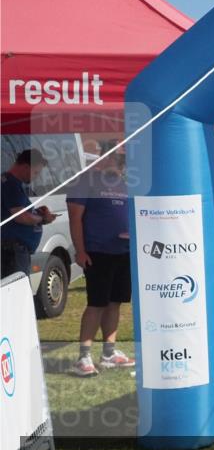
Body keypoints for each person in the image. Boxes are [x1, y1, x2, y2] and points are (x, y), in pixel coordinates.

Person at [67, 147, 134, 376]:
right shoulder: (85, 181)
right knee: (96, 303)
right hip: (97, 252)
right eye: (118, 158)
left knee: (115, 302)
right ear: (105, 157)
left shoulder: (124, 183)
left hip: (123, 251)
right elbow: (75, 217)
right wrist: (80, 250)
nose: (122, 163)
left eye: (124, 160)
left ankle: (108, 353)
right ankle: (83, 357)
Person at [1, 149, 57, 278]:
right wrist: (42, 219)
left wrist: (35, 212)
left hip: (13, 250)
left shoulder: (9, 182)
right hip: (13, 252)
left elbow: (16, 212)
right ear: (26, 167)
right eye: (35, 172)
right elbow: (20, 216)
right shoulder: (11, 184)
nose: (36, 177)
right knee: (16, 288)